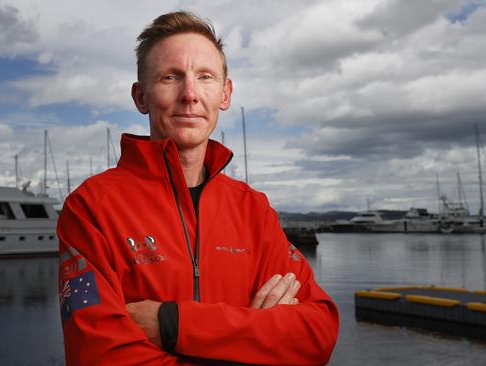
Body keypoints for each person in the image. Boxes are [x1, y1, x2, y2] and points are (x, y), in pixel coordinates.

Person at [57, 11, 339, 365]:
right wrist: (256, 335)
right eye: (170, 77)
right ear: (141, 97)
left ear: (225, 93)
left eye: (205, 77)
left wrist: (172, 323)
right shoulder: (92, 207)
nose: (190, 94)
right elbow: (100, 356)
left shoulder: (253, 209)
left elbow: (318, 333)